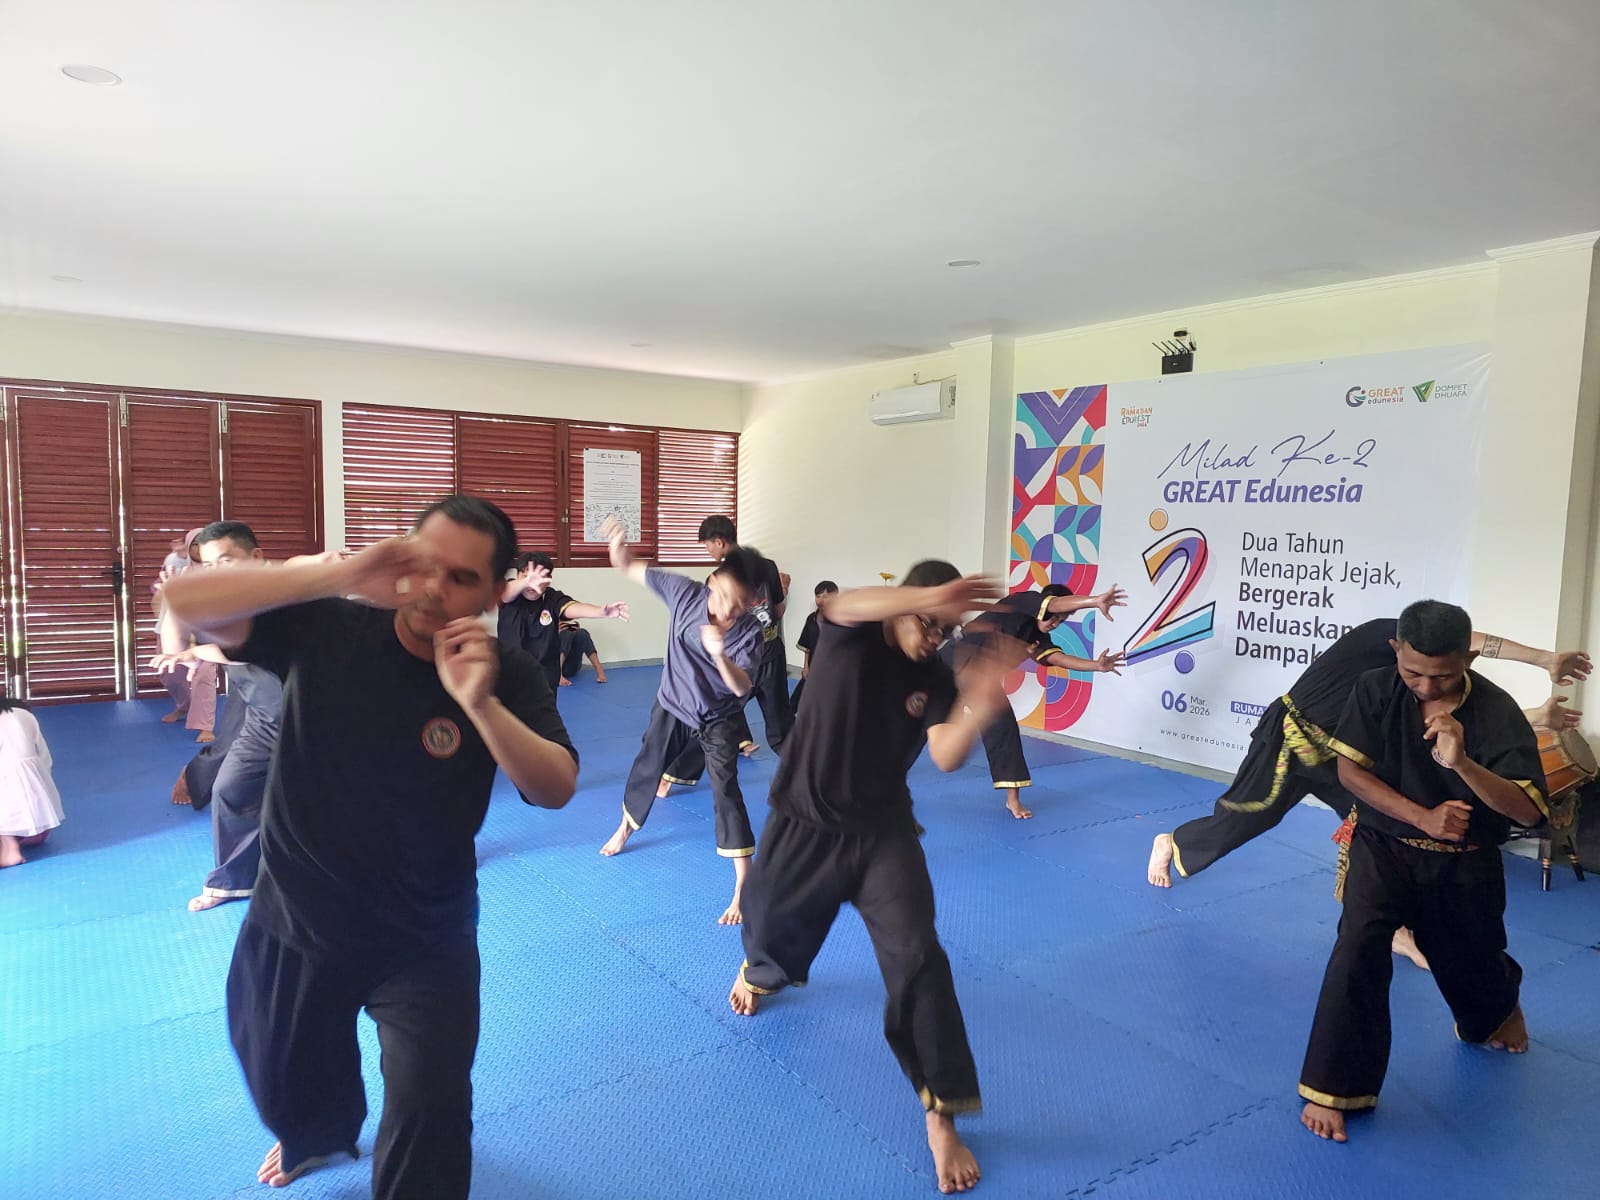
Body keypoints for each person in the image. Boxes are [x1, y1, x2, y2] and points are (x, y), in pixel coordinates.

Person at [160, 495, 578, 1198]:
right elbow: (185, 601)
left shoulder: (504, 672)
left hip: (427, 936)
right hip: (297, 916)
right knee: (287, 1085)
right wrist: (343, 573)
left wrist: (479, 703)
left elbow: (556, 786)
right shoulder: (329, 625)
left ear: (494, 594)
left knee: (432, 1110)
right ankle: (318, 1133)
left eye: (462, 579)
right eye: (425, 564)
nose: (435, 589)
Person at [728, 562, 1020, 1196]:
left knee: (919, 957)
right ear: (904, 603)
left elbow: (945, 755)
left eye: (945, 631)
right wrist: (932, 596)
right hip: (804, 822)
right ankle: (759, 972)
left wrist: (982, 698)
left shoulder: (932, 674)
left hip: (884, 832)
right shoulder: (851, 633)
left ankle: (940, 1116)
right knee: (768, 925)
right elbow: (840, 603)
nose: (934, 638)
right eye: (927, 623)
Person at [1146, 618, 1588, 968]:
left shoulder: (1408, 684)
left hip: (1342, 755)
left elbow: (1442, 723)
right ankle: (1173, 842)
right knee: (1247, 818)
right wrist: (1543, 658)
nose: (1428, 678)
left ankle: (1393, 926)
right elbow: (1473, 641)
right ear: (1402, 644)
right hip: (1293, 738)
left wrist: (1535, 714)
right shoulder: (1382, 634)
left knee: (1378, 825)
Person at [1297, 600, 1547, 1144]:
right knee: (1357, 948)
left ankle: (1497, 1009)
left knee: (1470, 957)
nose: (1427, 687)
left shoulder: (1496, 710)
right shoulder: (1374, 688)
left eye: (1443, 676)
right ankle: (1334, 1088)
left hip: (1465, 861)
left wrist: (1462, 764)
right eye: (1414, 672)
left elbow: (1528, 812)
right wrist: (1421, 817)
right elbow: (1350, 772)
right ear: (1396, 650)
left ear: (1468, 659)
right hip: (1383, 846)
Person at [595, 516, 766, 924]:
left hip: (718, 718)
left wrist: (719, 654)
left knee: (726, 791)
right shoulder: (684, 593)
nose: (728, 610)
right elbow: (627, 566)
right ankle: (625, 828)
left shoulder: (749, 634)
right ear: (713, 582)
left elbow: (742, 687)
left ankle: (743, 884)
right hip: (672, 704)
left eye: (740, 604)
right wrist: (617, 542)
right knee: (647, 766)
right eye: (725, 597)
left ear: (751, 603)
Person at [165, 521, 284, 912]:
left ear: (256, 557)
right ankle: (234, 882)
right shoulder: (219, 600)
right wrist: (174, 605)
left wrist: (195, 652)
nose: (216, 572)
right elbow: (177, 641)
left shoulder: (281, 597)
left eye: (226, 561)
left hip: (306, 719)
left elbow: (242, 647)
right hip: (262, 718)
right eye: (209, 565)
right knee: (230, 789)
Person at [951, 582, 1128, 819]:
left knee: (1004, 728)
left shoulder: (1037, 638)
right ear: (1043, 604)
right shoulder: (1022, 601)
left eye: (1061, 621)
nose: (1054, 623)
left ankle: (1012, 800)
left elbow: (1058, 658)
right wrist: (1094, 601)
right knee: (918, 719)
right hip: (952, 660)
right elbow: (1055, 604)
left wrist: (1095, 666)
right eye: (1054, 616)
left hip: (981, 678)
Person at [497, 551, 628, 696]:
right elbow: (505, 594)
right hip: (511, 672)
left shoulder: (553, 598)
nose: (532, 584)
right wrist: (527, 581)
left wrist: (600, 612)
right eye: (526, 576)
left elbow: (575, 608)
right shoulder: (511, 591)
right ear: (517, 576)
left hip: (544, 673)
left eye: (538, 579)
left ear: (548, 580)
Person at [0, 697, 64, 868]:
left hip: (10, 818)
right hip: (41, 822)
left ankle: (8, 847)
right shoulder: (25, 717)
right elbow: (45, 760)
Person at [788, 579, 838, 713]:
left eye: (825, 596)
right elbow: (807, 645)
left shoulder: (841, 621)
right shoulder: (812, 618)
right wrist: (806, 666)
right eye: (818, 596)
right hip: (814, 667)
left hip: (833, 670)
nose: (821, 600)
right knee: (796, 699)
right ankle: (790, 720)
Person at [558, 617, 608, 685]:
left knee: (582, 633)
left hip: (571, 666)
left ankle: (600, 671)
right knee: (565, 634)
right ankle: (558, 675)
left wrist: (574, 630)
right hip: (551, 668)